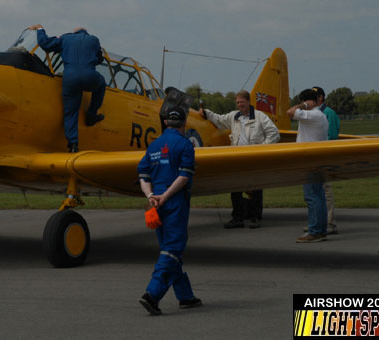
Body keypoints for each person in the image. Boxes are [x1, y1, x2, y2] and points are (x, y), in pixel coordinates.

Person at [137, 107, 201, 315]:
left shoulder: (153, 145)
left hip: (154, 204)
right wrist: (165, 197)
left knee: (168, 248)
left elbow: (143, 175)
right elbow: (183, 177)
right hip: (173, 203)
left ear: (165, 123)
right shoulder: (184, 144)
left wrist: (151, 197)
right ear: (184, 125)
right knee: (173, 249)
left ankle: (186, 297)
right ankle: (152, 295)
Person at [199, 90, 280, 229]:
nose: (240, 105)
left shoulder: (260, 117)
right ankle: (237, 218)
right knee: (235, 189)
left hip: (253, 157)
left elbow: (274, 133)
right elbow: (219, 119)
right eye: (237, 103)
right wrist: (206, 113)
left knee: (255, 189)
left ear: (248, 102)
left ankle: (255, 218)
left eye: (242, 102)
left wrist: (262, 149)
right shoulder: (233, 116)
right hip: (237, 157)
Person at [27, 24, 106, 153]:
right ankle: (92, 115)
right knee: (101, 85)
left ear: (74, 33)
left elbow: (45, 44)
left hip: (70, 78)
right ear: (85, 32)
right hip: (89, 76)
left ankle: (73, 144)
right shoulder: (94, 40)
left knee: (70, 112)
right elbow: (98, 58)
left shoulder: (65, 39)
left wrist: (40, 30)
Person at [287, 88, 329, 243]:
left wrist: (303, 105)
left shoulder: (313, 115)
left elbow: (290, 112)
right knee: (319, 196)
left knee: (312, 197)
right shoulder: (319, 116)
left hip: (311, 161)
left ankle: (315, 231)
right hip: (317, 160)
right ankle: (321, 229)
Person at [313, 86, 340, 235]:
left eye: (313, 97)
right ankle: (317, 222)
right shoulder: (314, 113)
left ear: (321, 98)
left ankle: (330, 223)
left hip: (324, 157)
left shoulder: (328, 113)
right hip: (314, 158)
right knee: (314, 191)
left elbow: (333, 136)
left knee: (326, 191)